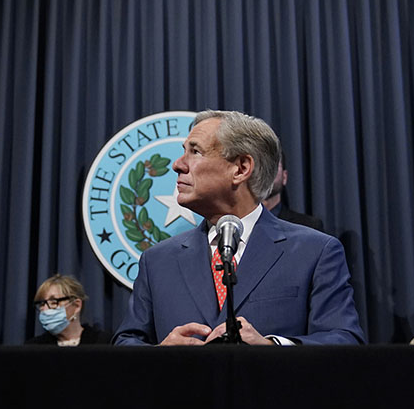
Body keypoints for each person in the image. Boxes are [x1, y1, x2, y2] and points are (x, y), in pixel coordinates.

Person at [113, 110, 365, 346]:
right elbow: (126, 340)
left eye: (195, 151)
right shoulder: (157, 261)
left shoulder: (315, 251)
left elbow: (344, 339)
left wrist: (271, 345)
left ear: (241, 168)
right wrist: (160, 353)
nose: (177, 164)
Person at [25, 274, 111, 346]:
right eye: (42, 304)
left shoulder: (103, 343)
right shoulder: (34, 347)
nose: (44, 309)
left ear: (77, 305)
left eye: (53, 302)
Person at [261, 150, 324, 232]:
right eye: (261, 165)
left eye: (273, 165)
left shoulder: (308, 227)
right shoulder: (240, 226)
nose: (267, 171)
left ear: (285, 177)